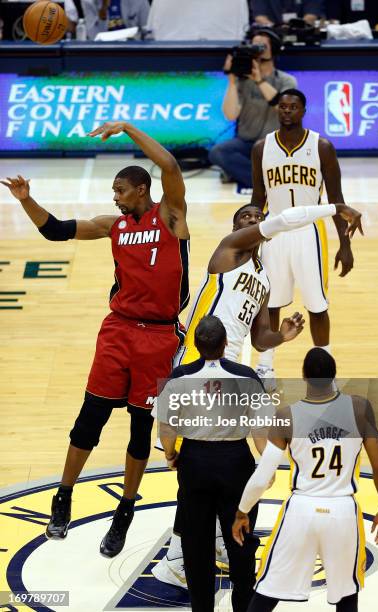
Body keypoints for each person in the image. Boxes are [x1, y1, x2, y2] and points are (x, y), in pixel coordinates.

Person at [1, 121, 189, 558]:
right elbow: (56, 230)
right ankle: (62, 497)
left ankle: (125, 509)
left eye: (121, 189)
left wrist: (127, 128)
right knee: (90, 418)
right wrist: (28, 201)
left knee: (141, 430)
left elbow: (171, 163)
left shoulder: (171, 216)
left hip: (160, 336)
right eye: (114, 191)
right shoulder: (113, 226)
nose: (115, 196)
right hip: (119, 331)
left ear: (142, 190)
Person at [153, 200, 363, 587]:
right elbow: (284, 220)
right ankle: (176, 557)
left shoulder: (264, 279)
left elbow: (259, 335)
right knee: (201, 462)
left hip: (232, 368)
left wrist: (281, 337)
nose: (252, 220)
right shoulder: (229, 250)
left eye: (255, 217)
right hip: (200, 360)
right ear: (238, 228)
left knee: (221, 460)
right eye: (244, 218)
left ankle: (215, 540)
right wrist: (334, 207)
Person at [232, 347, 378, 611]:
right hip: (342, 511)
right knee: (346, 598)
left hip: (301, 510)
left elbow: (263, 475)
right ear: (334, 376)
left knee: (266, 593)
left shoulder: (287, 417)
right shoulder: (360, 409)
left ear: (303, 376)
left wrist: (242, 511)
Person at [157, 315, 271, 612]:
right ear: (225, 344)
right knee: (240, 542)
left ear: (196, 345)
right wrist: (266, 466)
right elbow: (261, 432)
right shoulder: (247, 377)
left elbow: (166, 428)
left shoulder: (179, 377)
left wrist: (171, 455)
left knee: (197, 546)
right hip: (236, 463)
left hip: (194, 463)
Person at [252, 88, 358, 384]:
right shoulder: (262, 147)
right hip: (274, 232)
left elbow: (337, 198)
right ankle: (265, 365)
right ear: (277, 110)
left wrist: (345, 244)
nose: (287, 111)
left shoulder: (321, 146)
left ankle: (324, 369)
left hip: (308, 233)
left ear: (303, 110)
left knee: (317, 305)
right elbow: (257, 197)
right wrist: (248, 238)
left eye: (293, 106)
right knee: (271, 303)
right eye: (283, 106)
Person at [208, 28, 297, 189]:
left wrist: (260, 81)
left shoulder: (286, 80)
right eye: (254, 46)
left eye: (263, 46)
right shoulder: (242, 81)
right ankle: (265, 181)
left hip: (275, 144)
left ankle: (245, 174)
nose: (258, 50)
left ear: (274, 50)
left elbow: (286, 109)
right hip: (245, 143)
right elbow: (230, 114)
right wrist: (232, 81)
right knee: (218, 152)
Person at [64, 0, 150, 40]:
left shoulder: (139, 1)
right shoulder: (89, 2)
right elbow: (93, 37)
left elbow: (147, 31)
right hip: (103, 52)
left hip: (132, 50)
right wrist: (103, 9)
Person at [251, 0, 323, 26]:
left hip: (301, 33)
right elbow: (260, 17)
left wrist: (294, 28)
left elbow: (311, 15)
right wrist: (276, 29)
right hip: (272, 36)